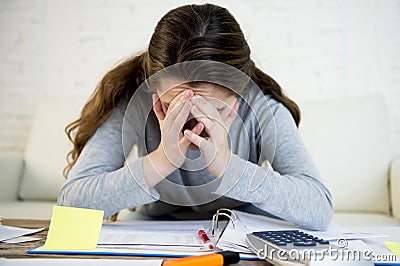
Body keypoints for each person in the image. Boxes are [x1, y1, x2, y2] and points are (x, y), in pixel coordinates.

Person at [58, 3, 333, 230]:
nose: (194, 129)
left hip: (238, 229)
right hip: (151, 229)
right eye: (172, 106)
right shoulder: (135, 103)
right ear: (153, 88)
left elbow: (319, 207)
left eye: (216, 111)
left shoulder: (263, 110)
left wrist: (230, 169)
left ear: (238, 97)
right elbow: (71, 202)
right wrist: (162, 160)